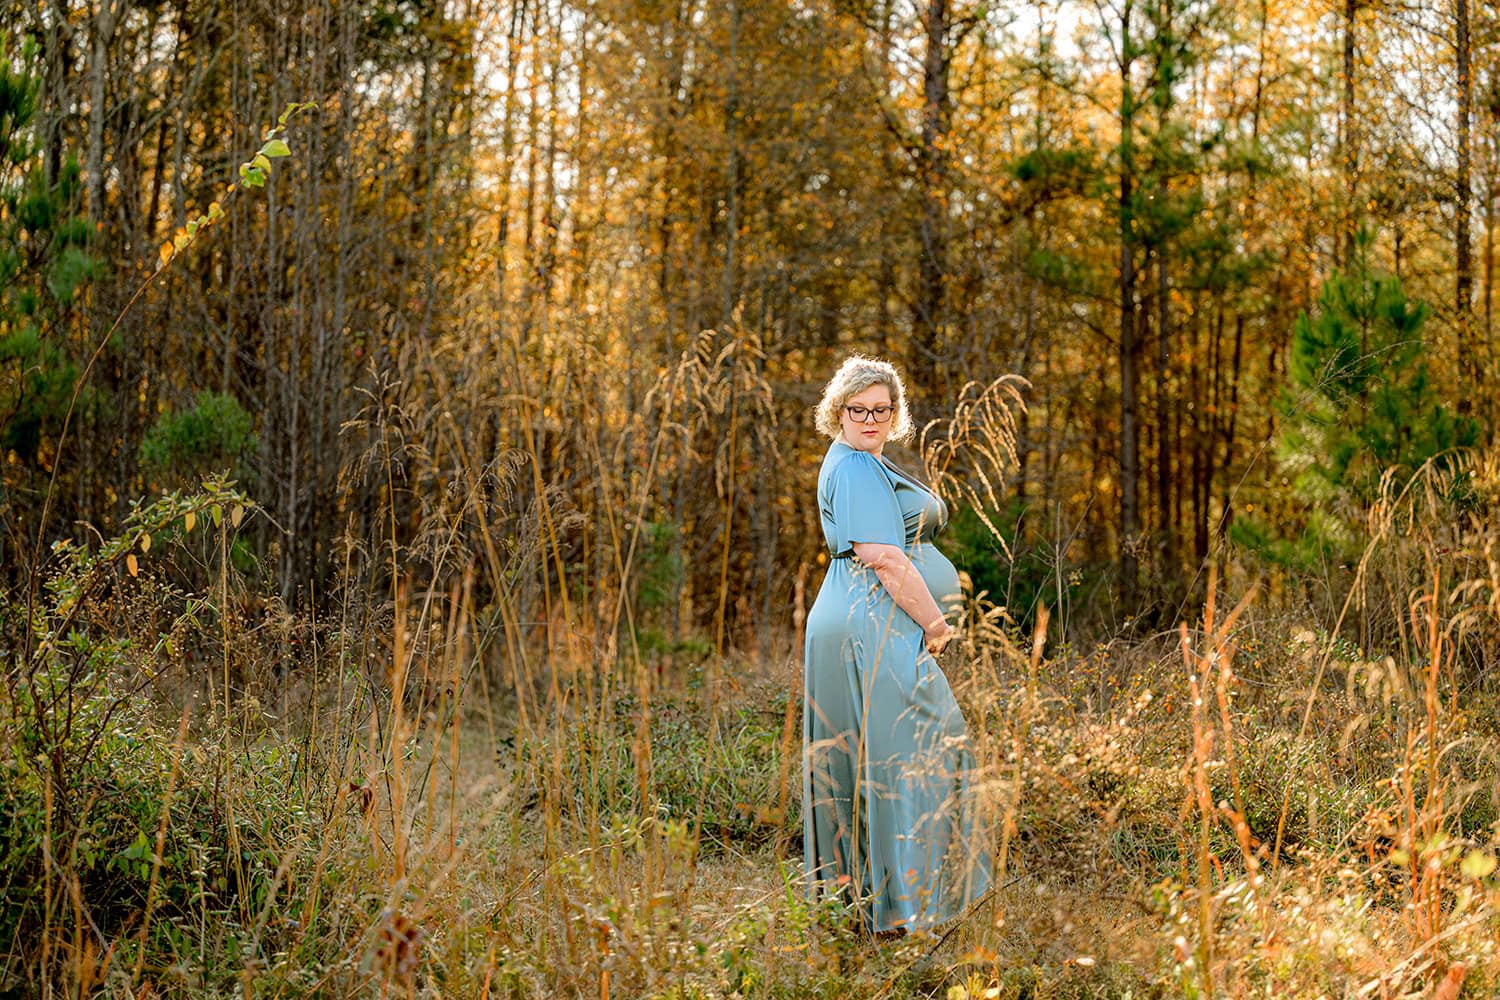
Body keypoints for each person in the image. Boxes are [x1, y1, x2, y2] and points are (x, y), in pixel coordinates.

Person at [802, 354, 992, 937]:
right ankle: (903, 908)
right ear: (838, 411)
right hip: (871, 623)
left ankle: (868, 905)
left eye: (881, 410)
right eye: (857, 409)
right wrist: (936, 624)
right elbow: (882, 556)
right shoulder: (857, 467)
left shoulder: (861, 462)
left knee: (871, 760)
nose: (869, 419)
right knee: (919, 753)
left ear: (895, 414)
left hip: (859, 618)